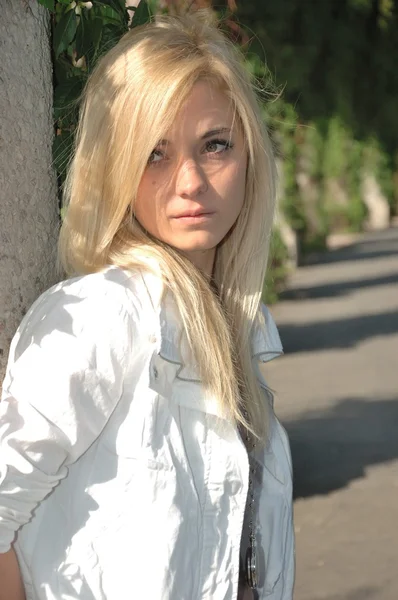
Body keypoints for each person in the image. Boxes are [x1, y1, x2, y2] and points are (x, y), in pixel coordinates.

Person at [0, 10, 294, 600]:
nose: (189, 181)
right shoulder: (97, 318)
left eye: (214, 145)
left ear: (249, 159)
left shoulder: (237, 333)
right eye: (154, 153)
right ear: (116, 169)